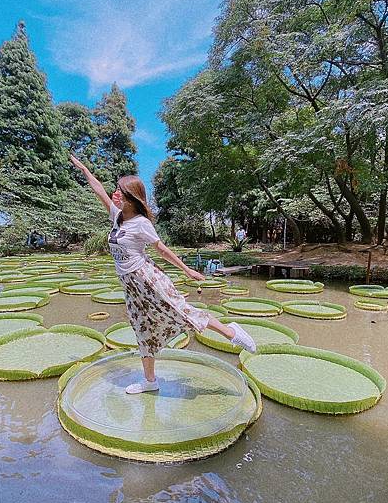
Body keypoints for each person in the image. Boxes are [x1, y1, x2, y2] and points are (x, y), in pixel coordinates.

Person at [70, 153, 257, 394]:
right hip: (131, 287)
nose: (114, 193)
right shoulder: (116, 216)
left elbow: (162, 250)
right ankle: (150, 381)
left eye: (119, 191)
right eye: (115, 190)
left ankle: (231, 332)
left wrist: (188, 270)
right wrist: (84, 168)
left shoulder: (141, 223)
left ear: (130, 197)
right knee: (142, 329)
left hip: (148, 279)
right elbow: (99, 191)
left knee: (182, 311)